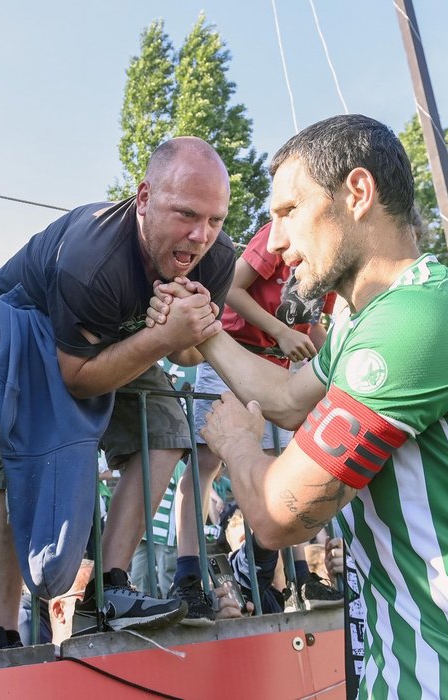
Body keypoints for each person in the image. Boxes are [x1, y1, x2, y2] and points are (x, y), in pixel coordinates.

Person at [154, 114, 448, 696]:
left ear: (357, 193)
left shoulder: (423, 318)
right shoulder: (366, 323)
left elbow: (277, 515)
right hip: (403, 675)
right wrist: (206, 329)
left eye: (289, 211)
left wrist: (238, 443)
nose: (278, 240)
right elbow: (288, 400)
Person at [0, 136, 234, 637]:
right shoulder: (93, 259)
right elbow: (79, 378)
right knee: (9, 467)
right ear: (143, 198)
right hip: (29, 321)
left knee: (165, 433)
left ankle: (107, 591)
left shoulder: (216, 256)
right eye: (185, 215)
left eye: (215, 220)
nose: (201, 236)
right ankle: (2, 632)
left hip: (115, 332)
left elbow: (187, 353)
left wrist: (184, 326)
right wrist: (164, 334)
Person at [167, 220, 343, 624]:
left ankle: (300, 577)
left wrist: (336, 362)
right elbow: (231, 289)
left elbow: (311, 324)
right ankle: (189, 575)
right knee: (205, 465)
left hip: (279, 369)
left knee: (275, 469)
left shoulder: (330, 261)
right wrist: (279, 331)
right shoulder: (280, 234)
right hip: (231, 354)